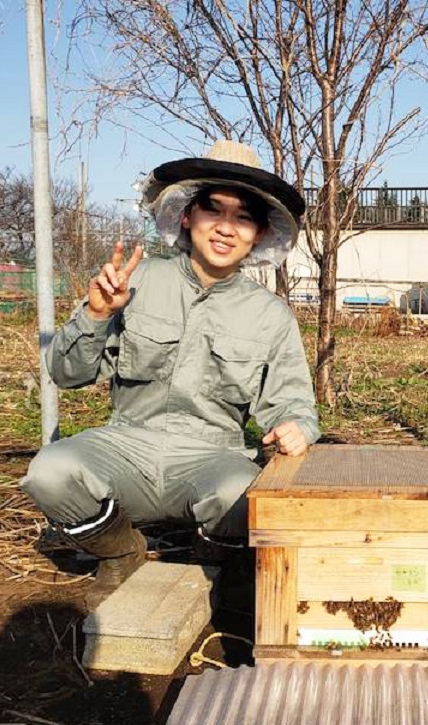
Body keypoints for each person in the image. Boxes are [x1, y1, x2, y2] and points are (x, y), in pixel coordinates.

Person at [21, 140, 320, 609]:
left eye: (242, 217)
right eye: (213, 211)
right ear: (186, 216)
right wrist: (96, 315)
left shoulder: (270, 316)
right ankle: (120, 554)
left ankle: (216, 558)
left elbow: (292, 402)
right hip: (127, 445)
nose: (225, 228)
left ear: (259, 233)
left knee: (248, 497)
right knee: (50, 471)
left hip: (212, 455)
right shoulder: (133, 283)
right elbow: (66, 373)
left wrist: (297, 427)